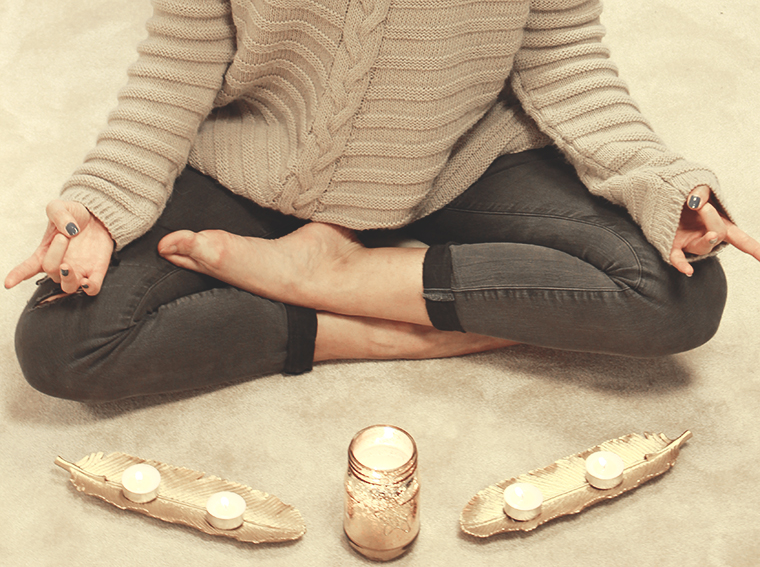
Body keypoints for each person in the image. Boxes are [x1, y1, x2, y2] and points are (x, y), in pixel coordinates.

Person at [5, 0, 759, 402]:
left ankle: (339, 274)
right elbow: (180, 62)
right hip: (266, 164)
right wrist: (105, 200)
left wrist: (656, 179)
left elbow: (563, 58)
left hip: (457, 163)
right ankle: (377, 327)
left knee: (681, 296)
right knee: (60, 341)